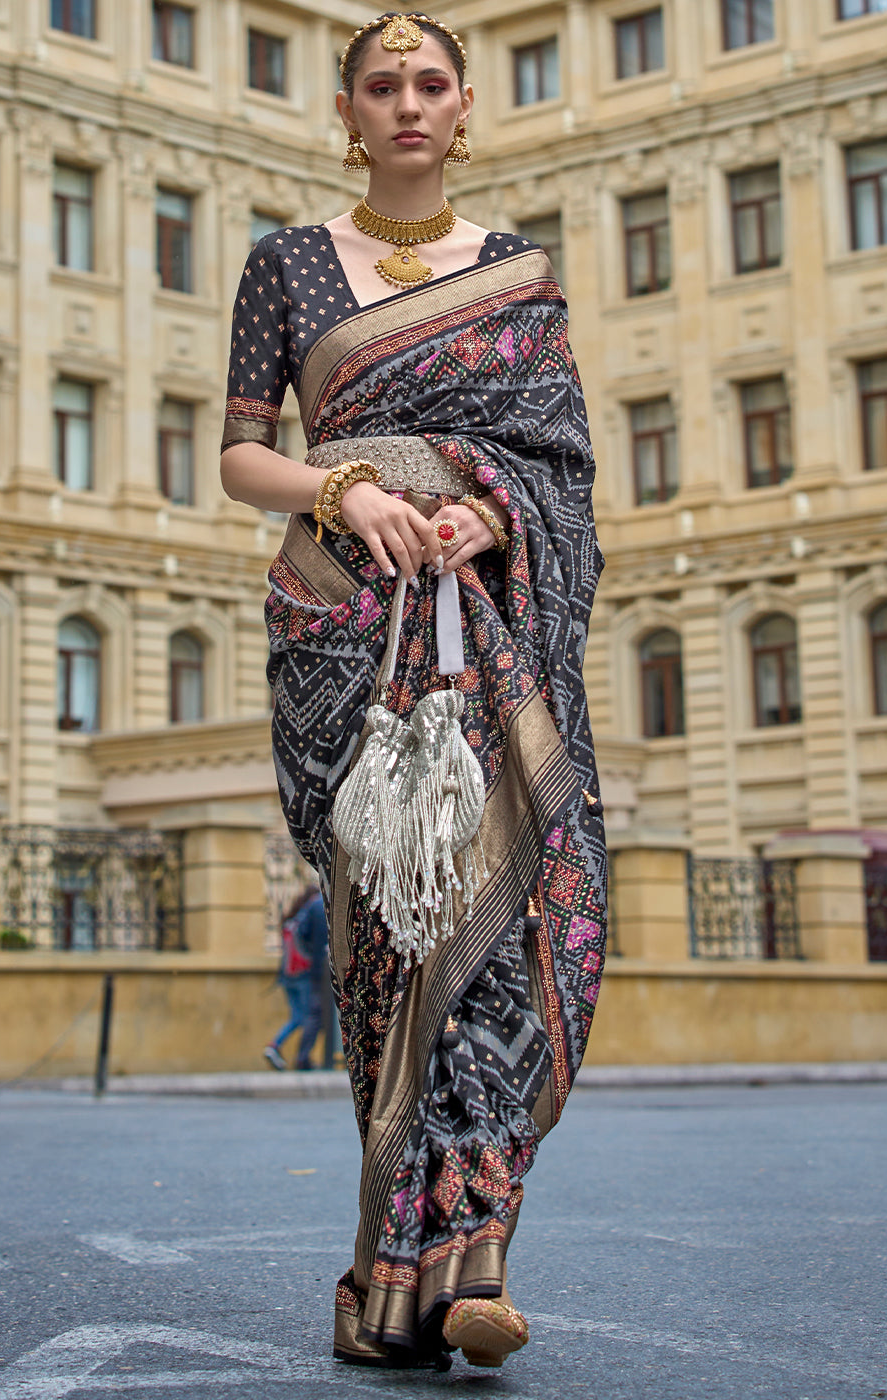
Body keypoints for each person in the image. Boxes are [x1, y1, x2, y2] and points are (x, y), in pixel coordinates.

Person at [221, 11, 607, 1372]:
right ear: (347, 109)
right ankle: (389, 1286)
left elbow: (558, 464)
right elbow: (240, 456)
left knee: (504, 935)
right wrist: (345, 484)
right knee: (390, 947)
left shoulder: (517, 274)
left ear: (462, 109)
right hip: (343, 629)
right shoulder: (284, 266)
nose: (405, 103)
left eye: (429, 82)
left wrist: (491, 516)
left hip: (484, 627)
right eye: (379, 84)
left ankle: (473, 1264)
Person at [263, 885, 318, 1071]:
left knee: (298, 1016)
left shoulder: (291, 920)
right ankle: (278, 1047)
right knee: (305, 1017)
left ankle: (278, 1048)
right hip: (303, 975)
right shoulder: (308, 916)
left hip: (286, 977)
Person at [293, 888, 329, 1071]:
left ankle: (303, 1057)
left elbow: (299, 932)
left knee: (315, 1014)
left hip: (319, 968)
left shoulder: (315, 904)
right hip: (344, 969)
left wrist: (312, 954)